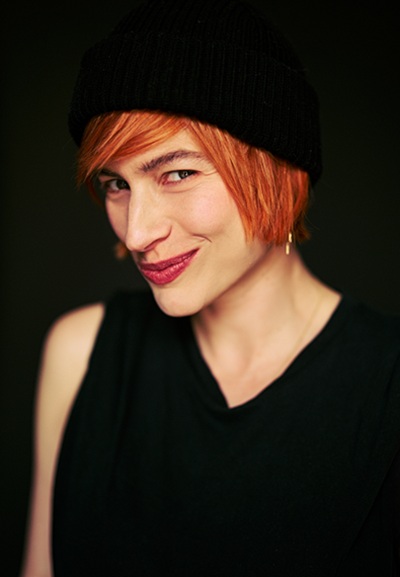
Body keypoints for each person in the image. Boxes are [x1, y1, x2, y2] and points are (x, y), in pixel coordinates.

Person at [20, 0, 400, 575]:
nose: (138, 232)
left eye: (177, 173)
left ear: (281, 171)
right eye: (116, 184)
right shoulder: (81, 354)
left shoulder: (387, 386)